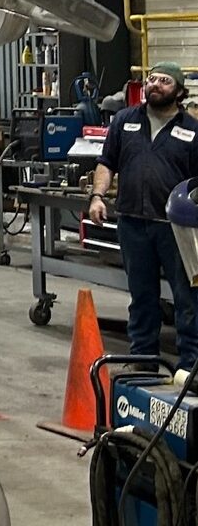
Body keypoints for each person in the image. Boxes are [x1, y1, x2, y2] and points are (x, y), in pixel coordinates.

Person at [90, 61, 198, 367]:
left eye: (164, 81)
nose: (155, 85)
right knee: (142, 298)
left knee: (187, 298)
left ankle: (191, 366)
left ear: (179, 91)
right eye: (151, 79)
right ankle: (143, 361)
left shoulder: (192, 130)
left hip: (177, 229)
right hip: (132, 223)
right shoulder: (124, 121)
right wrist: (97, 196)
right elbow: (106, 162)